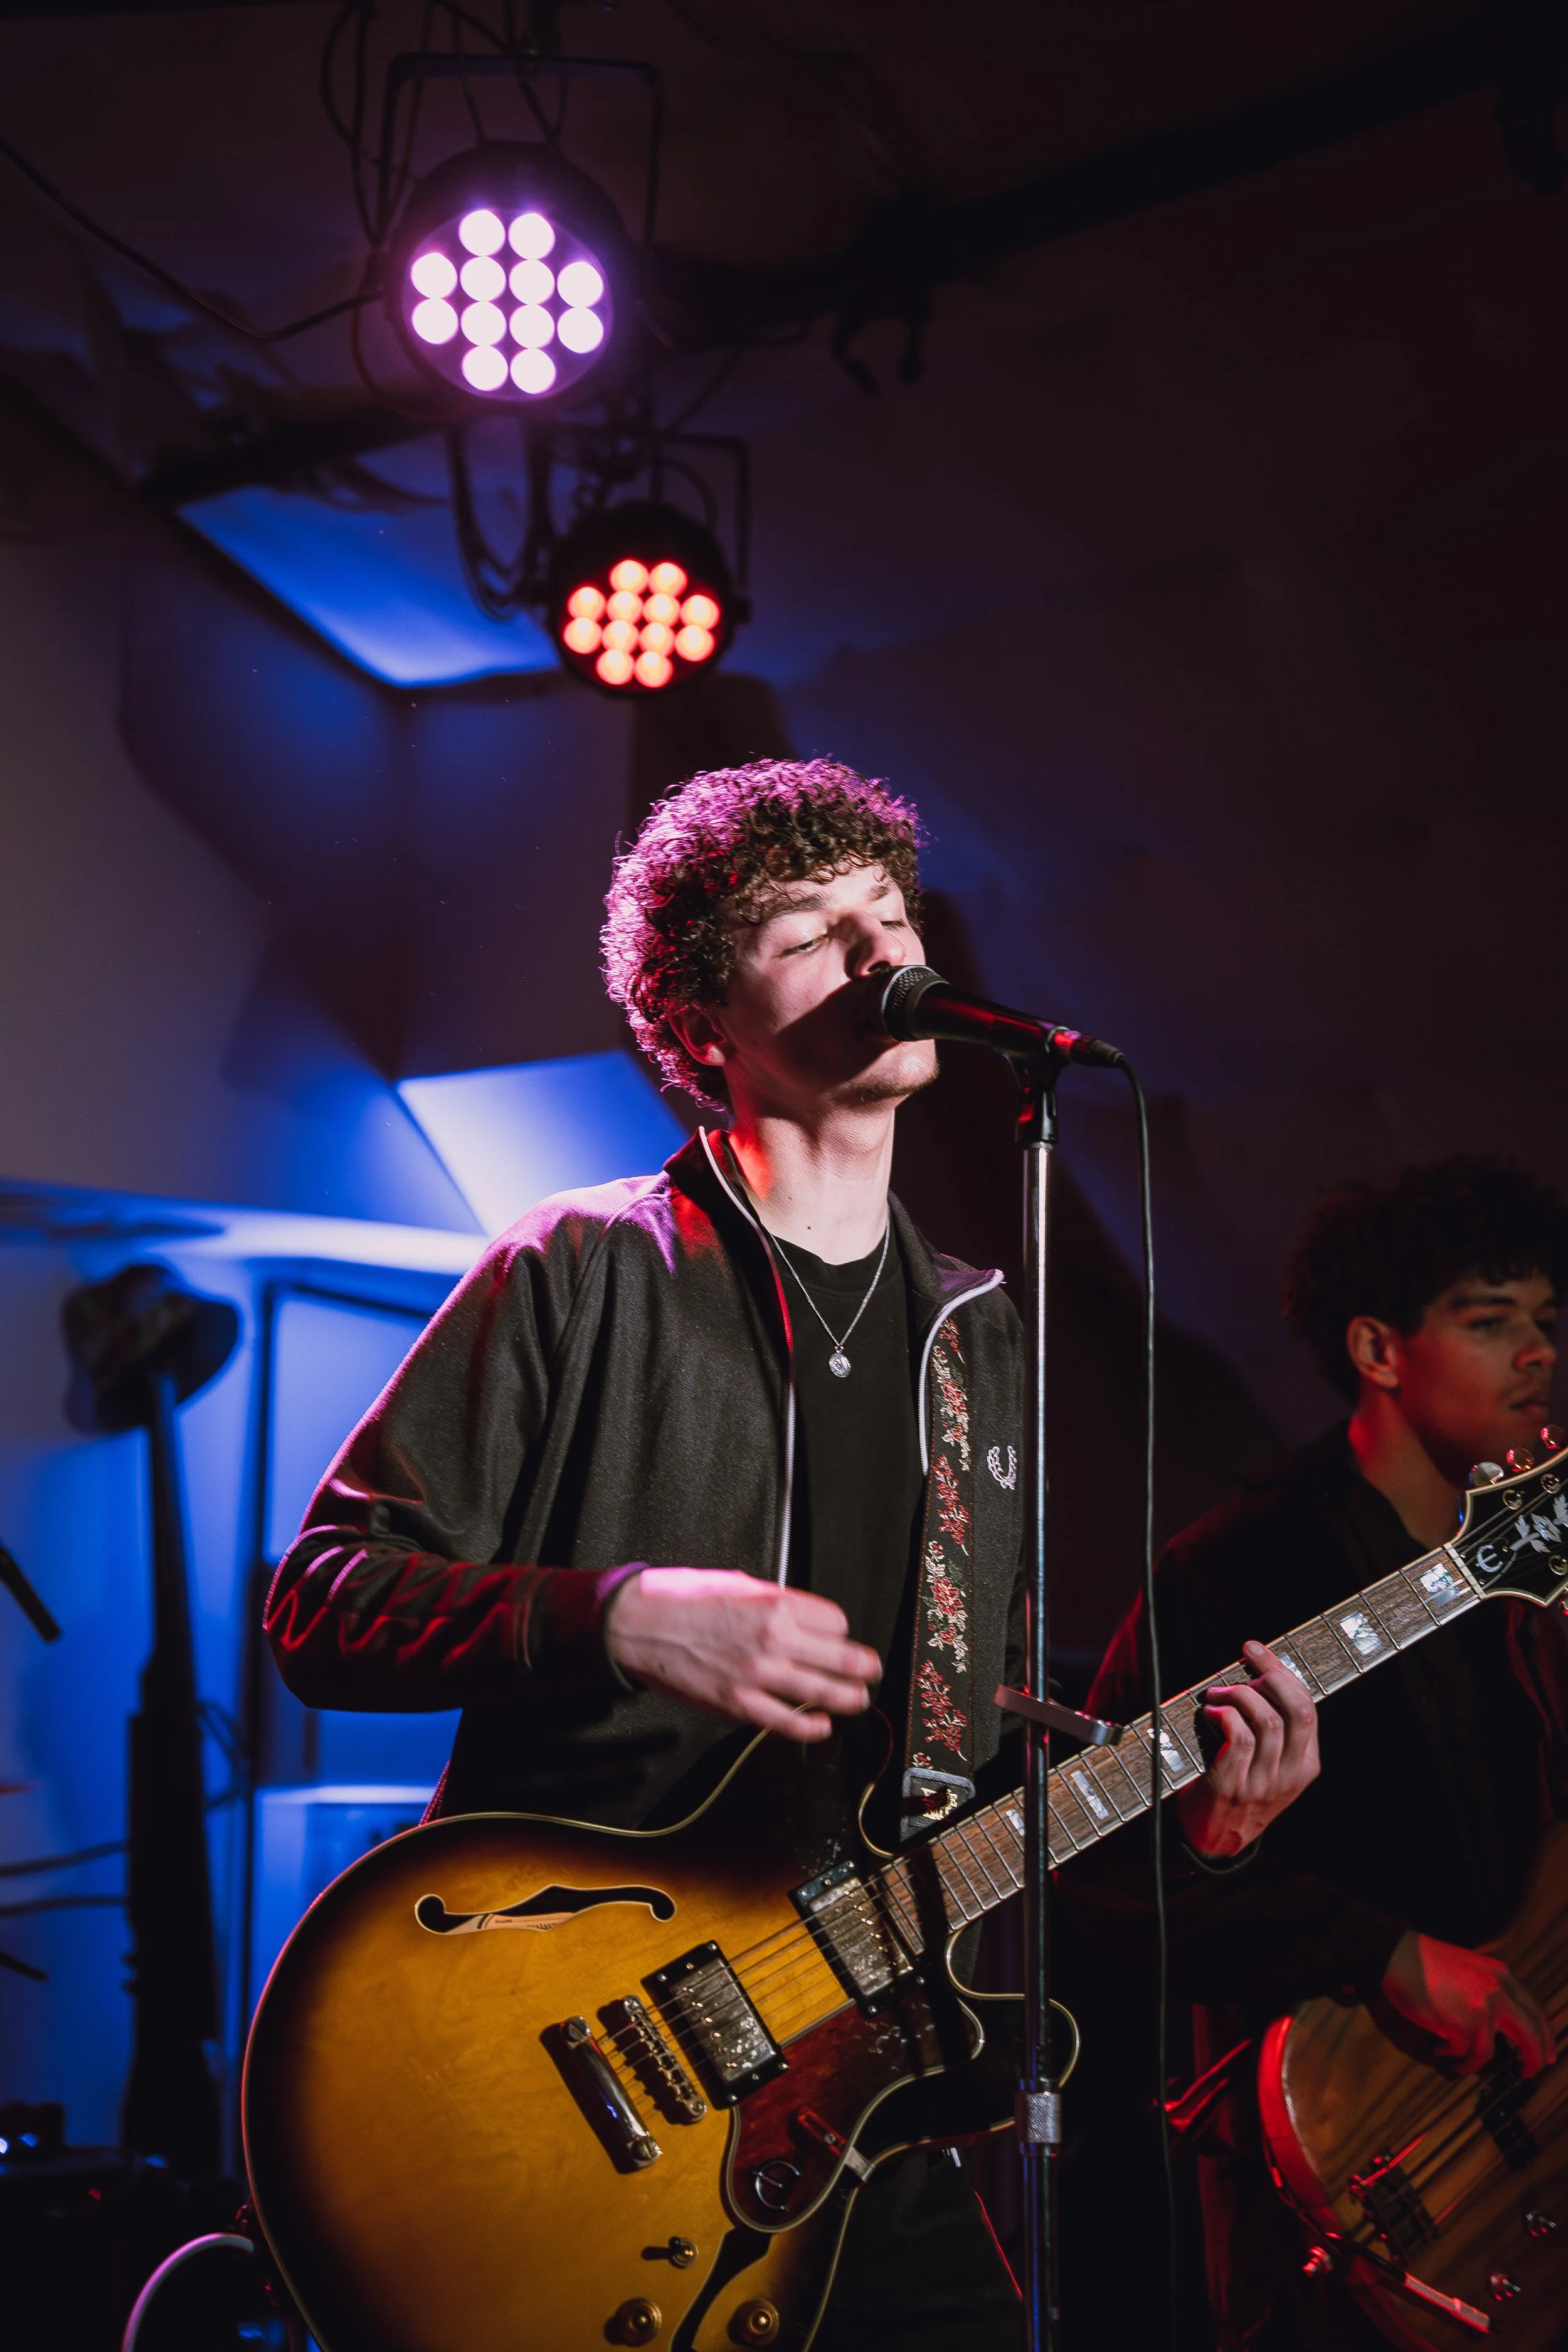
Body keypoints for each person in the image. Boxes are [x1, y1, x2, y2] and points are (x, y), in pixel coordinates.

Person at [264, 757, 1317, 2351]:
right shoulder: (583, 1266)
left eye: (886, 914)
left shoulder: (981, 1341)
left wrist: (1197, 1834)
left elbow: (981, 1786)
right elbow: (321, 1603)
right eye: (807, 930)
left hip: (856, 2086)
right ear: (700, 1025)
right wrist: (616, 1618)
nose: (874, 947)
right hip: (575, 2023)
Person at [1078, 1156, 1568, 2350]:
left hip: (1524, 2139)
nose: (1539, 1352)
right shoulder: (1236, 1568)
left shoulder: (1525, 1553)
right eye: (1490, 1320)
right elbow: (1105, 1872)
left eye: (1548, 1322)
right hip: (1338, 2154)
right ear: (1378, 1349)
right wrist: (1377, 1948)